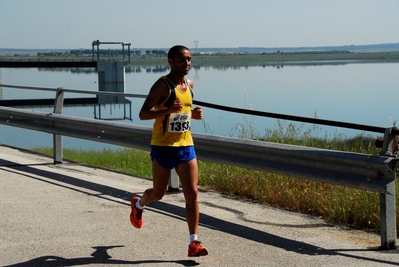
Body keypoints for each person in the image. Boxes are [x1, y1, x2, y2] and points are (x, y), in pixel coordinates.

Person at [130, 45, 208, 257]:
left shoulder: (190, 85)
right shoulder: (162, 86)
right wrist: (167, 109)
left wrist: (192, 115)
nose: (187, 64)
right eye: (182, 60)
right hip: (163, 147)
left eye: (189, 59)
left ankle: (194, 243)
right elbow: (143, 114)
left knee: (192, 193)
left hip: (185, 145)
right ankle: (138, 204)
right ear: (170, 62)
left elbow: (181, 114)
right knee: (159, 194)